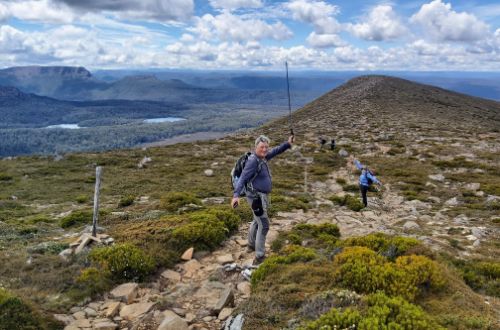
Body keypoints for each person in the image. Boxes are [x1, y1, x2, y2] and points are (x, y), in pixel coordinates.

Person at [231, 134, 294, 265]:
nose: (265, 149)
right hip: (255, 198)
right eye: (262, 147)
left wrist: (287, 144)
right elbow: (242, 178)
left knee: (256, 220)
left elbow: (275, 151)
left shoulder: (263, 158)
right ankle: (259, 257)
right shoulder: (253, 160)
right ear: (256, 147)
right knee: (264, 225)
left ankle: (250, 244)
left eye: (266, 147)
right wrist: (236, 195)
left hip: (261, 197)